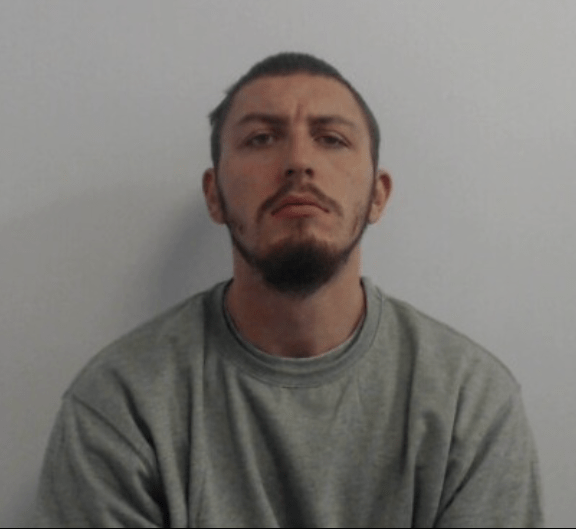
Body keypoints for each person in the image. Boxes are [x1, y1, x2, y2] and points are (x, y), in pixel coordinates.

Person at [34, 52, 543, 528]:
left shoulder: (469, 403)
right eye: (261, 138)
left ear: (377, 194)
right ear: (214, 195)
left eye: (331, 139)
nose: (299, 161)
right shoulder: (123, 403)